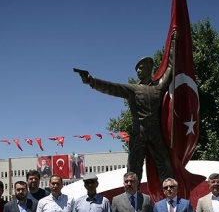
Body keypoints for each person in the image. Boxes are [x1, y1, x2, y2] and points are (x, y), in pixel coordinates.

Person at [75, 32, 178, 185]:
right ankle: (131, 198)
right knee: (133, 169)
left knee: (166, 166)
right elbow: (111, 88)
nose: (138, 71)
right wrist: (92, 81)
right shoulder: (133, 89)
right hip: (139, 134)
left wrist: (174, 43)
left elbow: (170, 67)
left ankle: (169, 196)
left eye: (141, 67)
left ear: (149, 68)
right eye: (137, 69)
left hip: (156, 133)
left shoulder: (159, 87)